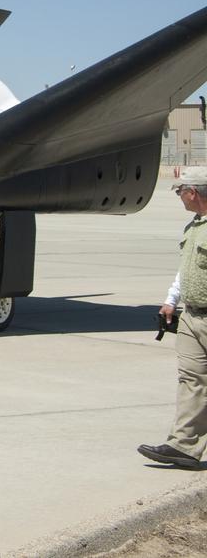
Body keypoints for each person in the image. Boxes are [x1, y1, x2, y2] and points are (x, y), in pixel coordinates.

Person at [140, 166, 207, 470]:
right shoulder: (193, 228)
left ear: (193, 192)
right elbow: (186, 269)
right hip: (192, 316)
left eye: (180, 191)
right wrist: (171, 300)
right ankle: (184, 447)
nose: (179, 196)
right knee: (191, 380)